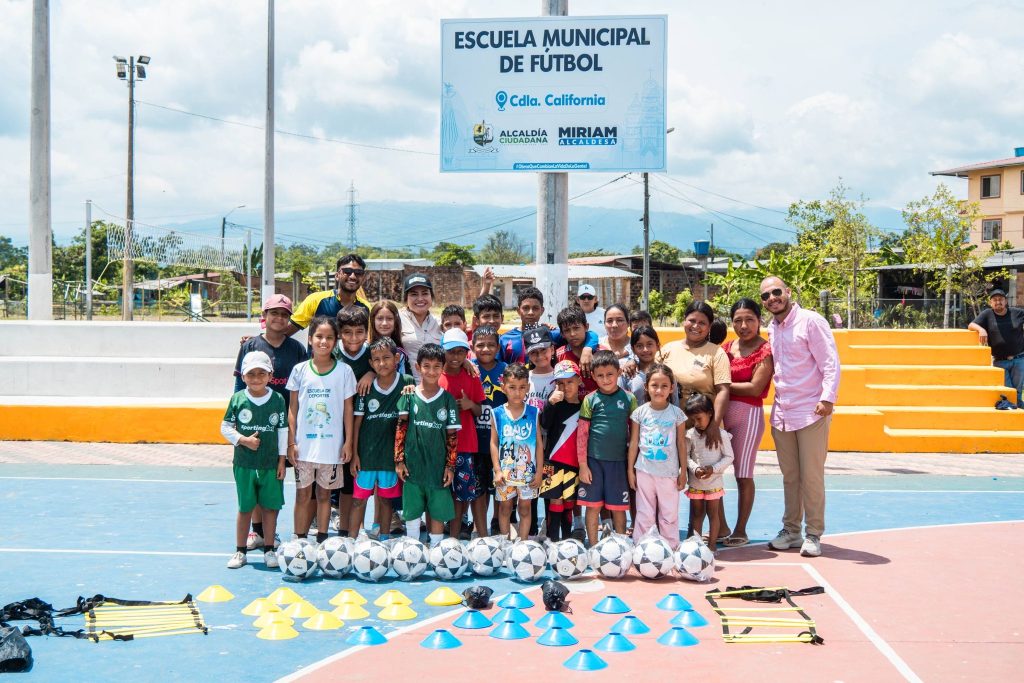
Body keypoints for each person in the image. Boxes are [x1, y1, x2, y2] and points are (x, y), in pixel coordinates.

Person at [761, 276, 840, 558]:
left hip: (811, 411)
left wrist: (827, 398)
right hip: (782, 413)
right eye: (766, 296)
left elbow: (830, 362)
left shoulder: (811, 321)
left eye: (776, 292)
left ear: (788, 292)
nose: (772, 298)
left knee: (812, 476)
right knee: (790, 476)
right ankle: (791, 530)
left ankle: (814, 534)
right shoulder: (772, 328)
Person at [232, 293, 307, 551]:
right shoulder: (250, 345)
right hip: (253, 423)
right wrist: (238, 425)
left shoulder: (297, 349)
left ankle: (273, 533)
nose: (279, 318)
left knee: (272, 481)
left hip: (282, 424)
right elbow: (239, 387)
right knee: (253, 479)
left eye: (284, 314)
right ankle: (257, 532)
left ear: (289, 320)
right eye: (274, 313)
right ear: (264, 316)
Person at [286, 315, 356, 543]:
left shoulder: (344, 372)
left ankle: (323, 540)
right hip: (304, 447)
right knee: (303, 494)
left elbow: (348, 410)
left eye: (329, 338)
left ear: (335, 341)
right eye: (319, 337)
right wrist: (291, 442)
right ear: (310, 339)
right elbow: (293, 409)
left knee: (325, 494)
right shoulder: (299, 370)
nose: (323, 342)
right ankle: (299, 539)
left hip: (332, 447)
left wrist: (347, 442)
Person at [222, 351, 287, 569]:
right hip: (244, 464)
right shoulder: (238, 399)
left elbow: (283, 432)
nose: (256, 378)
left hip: (270, 465)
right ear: (243, 377)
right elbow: (225, 427)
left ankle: (269, 549)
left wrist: (281, 460)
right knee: (245, 508)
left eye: (262, 373)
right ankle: (240, 551)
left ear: (270, 375)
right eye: (251, 374)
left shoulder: (277, 400)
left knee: (270, 508)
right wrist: (243, 440)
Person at [719, 298, 774, 548]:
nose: (744, 325)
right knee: (713, 472)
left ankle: (740, 530)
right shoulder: (727, 347)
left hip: (748, 417)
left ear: (759, 320)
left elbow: (755, 388)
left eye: (749, 319)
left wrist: (722, 387)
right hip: (720, 416)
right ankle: (721, 526)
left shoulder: (765, 350)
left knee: (742, 475)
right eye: (738, 320)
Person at [394, 343, 461, 547]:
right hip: (413, 466)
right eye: (426, 366)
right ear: (417, 367)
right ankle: (412, 548)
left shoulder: (448, 400)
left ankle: (436, 549)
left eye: (436, 366)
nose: (431, 371)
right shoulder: (409, 396)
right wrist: (399, 460)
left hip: (438, 467)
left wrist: (450, 466)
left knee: (438, 509)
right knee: (413, 509)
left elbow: (452, 436)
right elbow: (401, 429)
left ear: (443, 368)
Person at [348, 338, 412, 541]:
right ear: (371, 363)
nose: (382, 363)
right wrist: (354, 454)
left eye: (386, 358)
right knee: (359, 500)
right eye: (376, 359)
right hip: (366, 455)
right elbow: (357, 423)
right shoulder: (365, 388)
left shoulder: (407, 382)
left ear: (396, 358)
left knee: (386, 500)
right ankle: (352, 539)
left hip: (390, 456)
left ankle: (384, 538)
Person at [577, 350, 637, 545]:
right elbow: (582, 434)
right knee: (593, 507)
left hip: (619, 463)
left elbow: (635, 433)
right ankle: (594, 546)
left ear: (619, 373)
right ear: (593, 376)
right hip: (593, 462)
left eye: (610, 374)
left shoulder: (629, 399)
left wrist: (631, 466)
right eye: (600, 375)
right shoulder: (590, 400)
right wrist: (583, 465)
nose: (605, 379)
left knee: (619, 508)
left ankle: (621, 546)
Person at [627, 363, 687, 547]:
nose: (659, 390)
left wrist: (683, 470)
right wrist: (631, 470)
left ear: (672, 388)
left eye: (664, 386)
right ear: (646, 386)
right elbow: (634, 442)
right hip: (644, 471)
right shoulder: (640, 413)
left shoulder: (677, 414)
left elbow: (681, 443)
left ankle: (671, 547)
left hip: (668, 473)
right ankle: (642, 547)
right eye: (654, 385)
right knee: (645, 513)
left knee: (669, 513)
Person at [661, 301, 732, 453]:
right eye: (692, 320)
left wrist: (713, 425)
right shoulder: (668, 349)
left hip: (704, 430)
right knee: (671, 476)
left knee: (703, 475)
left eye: (702, 323)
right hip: (670, 429)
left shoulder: (717, 354)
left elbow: (723, 391)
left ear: (710, 326)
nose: (695, 326)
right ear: (684, 320)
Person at [438, 328, 486, 540]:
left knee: (460, 497)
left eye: (461, 352)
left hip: (465, 445)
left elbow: (479, 410)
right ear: (443, 351)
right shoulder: (435, 375)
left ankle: (454, 540)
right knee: (439, 493)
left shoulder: (472, 375)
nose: (456, 356)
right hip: (438, 446)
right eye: (451, 351)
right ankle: (437, 536)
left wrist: (469, 404)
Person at [490, 363, 544, 540]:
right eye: (512, 387)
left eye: (522, 388)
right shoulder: (497, 413)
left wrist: (539, 472)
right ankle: (506, 543)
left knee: (525, 508)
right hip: (505, 473)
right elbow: (494, 443)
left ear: (528, 387)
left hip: (527, 474)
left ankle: (523, 543)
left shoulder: (534, 412)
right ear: (504, 387)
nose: (517, 392)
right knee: (505, 509)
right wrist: (497, 470)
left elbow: (538, 444)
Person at [540, 360, 584, 542]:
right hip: (552, 464)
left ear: (579, 381)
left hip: (574, 465)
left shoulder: (584, 406)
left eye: (569, 382)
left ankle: (567, 542)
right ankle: (553, 541)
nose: (565, 387)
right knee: (555, 502)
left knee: (569, 503)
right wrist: (549, 404)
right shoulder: (554, 404)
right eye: (560, 383)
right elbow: (544, 424)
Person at [684, 393, 734, 553]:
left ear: (710, 413)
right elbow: (685, 457)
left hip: (714, 483)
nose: (696, 423)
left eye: (699, 418)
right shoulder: (690, 434)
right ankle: (697, 545)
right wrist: (695, 469)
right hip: (696, 482)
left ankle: (712, 546)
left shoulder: (722, 435)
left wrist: (714, 469)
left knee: (714, 515)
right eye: (693, 419)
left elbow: (729, 457)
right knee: (697, 515)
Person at [499, 287, 598, 367]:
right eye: (526, 308)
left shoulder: (551, 334)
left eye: (535, 308)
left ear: (542, 311)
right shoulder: (505, 339)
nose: (530, 312)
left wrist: (587, 349)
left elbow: (589, 334)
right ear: (518, 311)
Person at [471, 325, 507, 537]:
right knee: (479, 488)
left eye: (491, 345)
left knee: (498, 487)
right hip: (475, 441)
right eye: (480, 345)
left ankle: (495, 522)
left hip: (498, 442)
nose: (485, 349)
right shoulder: (469, 367)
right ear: (473, 347)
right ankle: (479, 526)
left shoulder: (505, 370)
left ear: (498, 347)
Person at [287, 254, 371, 336]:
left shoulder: (367, 308)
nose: (353, 276)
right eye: (347, 271)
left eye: (358, 272)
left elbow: (371, 339)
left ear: (363, 278)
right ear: (337, 276)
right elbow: (285, 333)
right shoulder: (315, 300)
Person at [968, 288, 1024, 409]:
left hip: (1019, 359)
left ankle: (1018, 415)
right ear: (991, 303)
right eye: (995, 300)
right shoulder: (987, 314)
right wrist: (981, 329)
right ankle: (1014, 412)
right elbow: (971, 325)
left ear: (1006, 301)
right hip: (1000, 361)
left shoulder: (1017, 313)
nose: (998, 302)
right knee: (1008, 390)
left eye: (1001, 299)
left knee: (1018, 391)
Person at [399, 273, 442, 380]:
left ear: (431, 296)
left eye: (425, 293)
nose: (420, 298)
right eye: (414, 294)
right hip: (406, 386)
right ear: (406, 298)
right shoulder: (396, 319)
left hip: (435, 386)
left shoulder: (440, 322)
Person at [556, 306, 601, 398]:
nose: (572, 334)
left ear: (586, 327)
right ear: (562, 334)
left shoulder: (601, 351)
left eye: (576, 328)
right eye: (567, 330)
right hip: (571, 409)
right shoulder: (559, 355)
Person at [620, 325, 671, 405]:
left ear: (657, 346)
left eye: (649, 344)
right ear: (633, 349)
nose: (645, 350)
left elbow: (674, 404)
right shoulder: (627, 374)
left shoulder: (667, 374)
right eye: (639, 346)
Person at [369, 299, 409, 377]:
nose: (384, 323)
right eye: (380, 318)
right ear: (373, 321)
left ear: (395, 321)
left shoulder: (400, 353)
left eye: (389, 319)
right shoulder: (365, 349)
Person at [525, 326, 557, 411]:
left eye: (543, 350)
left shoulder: (560, 377)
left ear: (552, 349)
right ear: (528, 355)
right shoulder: (524, 378)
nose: (540, 356)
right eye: (533, 352)